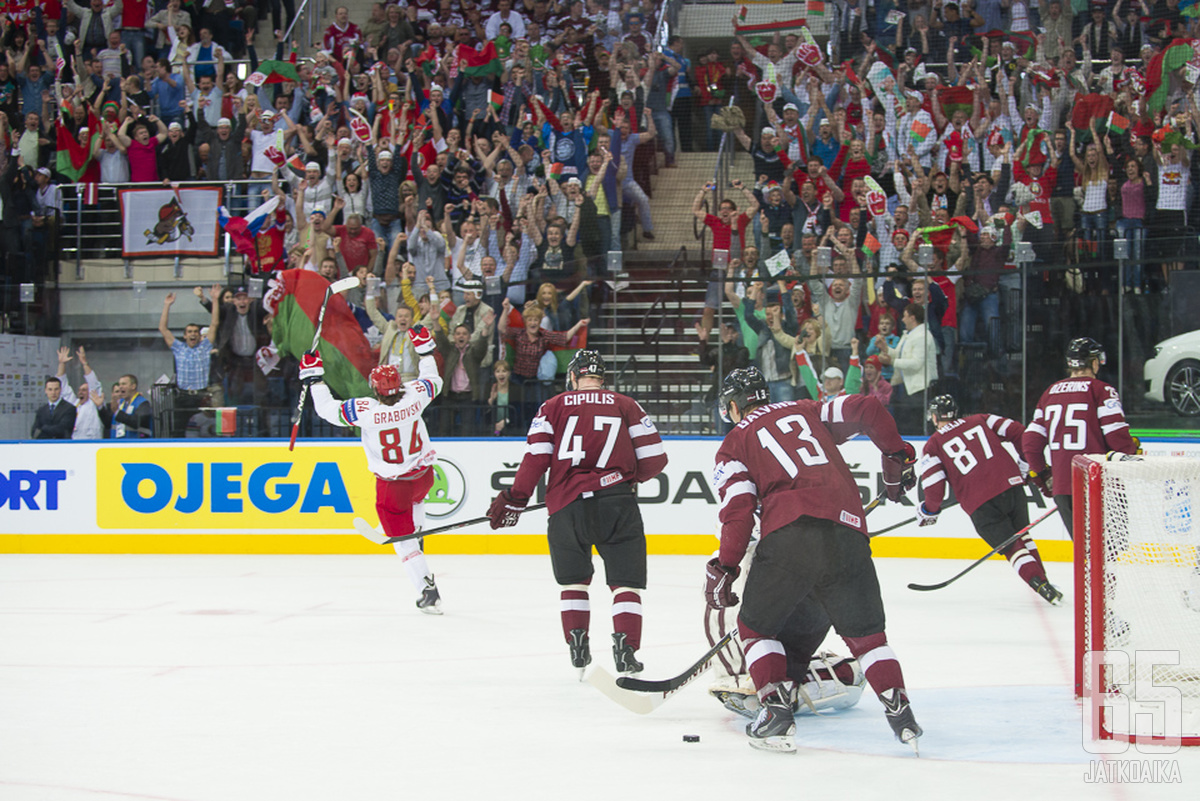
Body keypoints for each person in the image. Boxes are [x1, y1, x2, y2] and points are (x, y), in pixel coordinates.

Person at [703, 367, 920, 753]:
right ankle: (901, 714)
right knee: (869, 639)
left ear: (734, 406)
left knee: (756, 629)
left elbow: (738, 510)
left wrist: (725, 567)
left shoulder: (734, 442)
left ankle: (775, 714)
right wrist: (895, 456)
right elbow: (868, 408)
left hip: (789, 537)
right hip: (848, 532)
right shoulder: (809, 409)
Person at [485, 350, 668, 677]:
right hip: (617, 505)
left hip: (566, 508)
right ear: (603, 380)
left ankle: (578, 649)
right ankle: (626, 653)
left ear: (572, 377)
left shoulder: (552, 406)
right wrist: (622, 478)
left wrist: (516, 497)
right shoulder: (626, 404)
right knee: (626, 584)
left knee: (574, 582)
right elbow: (655, 459)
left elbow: (536, 459)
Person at [304, 328, 446, 614]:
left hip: (393, 488)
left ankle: (426, 589)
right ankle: (416, 532)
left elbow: (327, 410)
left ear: (374, 388)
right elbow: (433, 380)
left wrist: (313, 378)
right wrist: (425, 350)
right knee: (416, 505)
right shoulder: (415, 397)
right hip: (423, 477)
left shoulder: (365, 410)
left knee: (402, 545)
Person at [918, 395, 1061, 604]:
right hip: (1012, 487)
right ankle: (1045, 581)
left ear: (933, 416)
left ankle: (1040, 585)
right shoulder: (980, 419)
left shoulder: (933, 444)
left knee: (1012, 548)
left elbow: (934, 489)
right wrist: (1023, 467)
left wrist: (928, 511)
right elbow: (1021, 433)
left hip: (981, 503)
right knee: (1023, 536)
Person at [1022, 337, 1137, 535]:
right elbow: (1116, 436)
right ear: (1093, 362)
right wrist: (1130, 452)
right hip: (1098, 485)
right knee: (1110, 550)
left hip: (1063, 487)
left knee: (1085, 555)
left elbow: (1030, 442)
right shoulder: (1102, 391)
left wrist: (1044, 476)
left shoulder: (1049, 393)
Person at [160, 286, 221, 437]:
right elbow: (163, 329)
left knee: (202, 431)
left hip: (201, 396)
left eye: (195, 332)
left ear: (199, 335)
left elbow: (214, 324)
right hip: (182, 396)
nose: (193, 334)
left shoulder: (205, 347)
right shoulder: (178, 348)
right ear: (185, 335)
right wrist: (167, 305)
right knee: (180, 431)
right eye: (189, 332)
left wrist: (214, 300)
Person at [54, 346, 105, 440]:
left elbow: (93, 383)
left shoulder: (93, 403)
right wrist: (62, 364)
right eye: (80, 390)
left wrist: (84, 363)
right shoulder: (73, 404)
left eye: (85, 390)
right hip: (75, 443)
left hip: (93, 444)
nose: (81, 392)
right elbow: (62, 386)